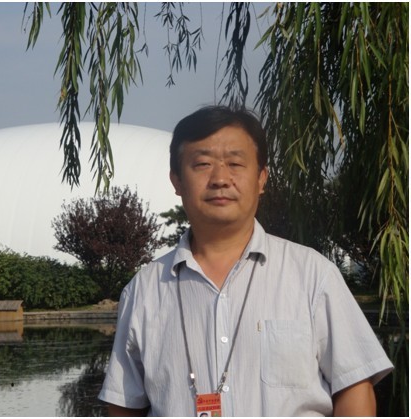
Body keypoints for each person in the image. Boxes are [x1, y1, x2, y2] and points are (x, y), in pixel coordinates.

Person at [98, 106, 394, 416]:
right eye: (202, 164)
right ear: (177, 181)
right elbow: (123, 405)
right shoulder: (144, 290)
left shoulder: (313, 276)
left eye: (235, 163)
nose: (220, 179)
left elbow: (354, 388)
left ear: (261, 178)